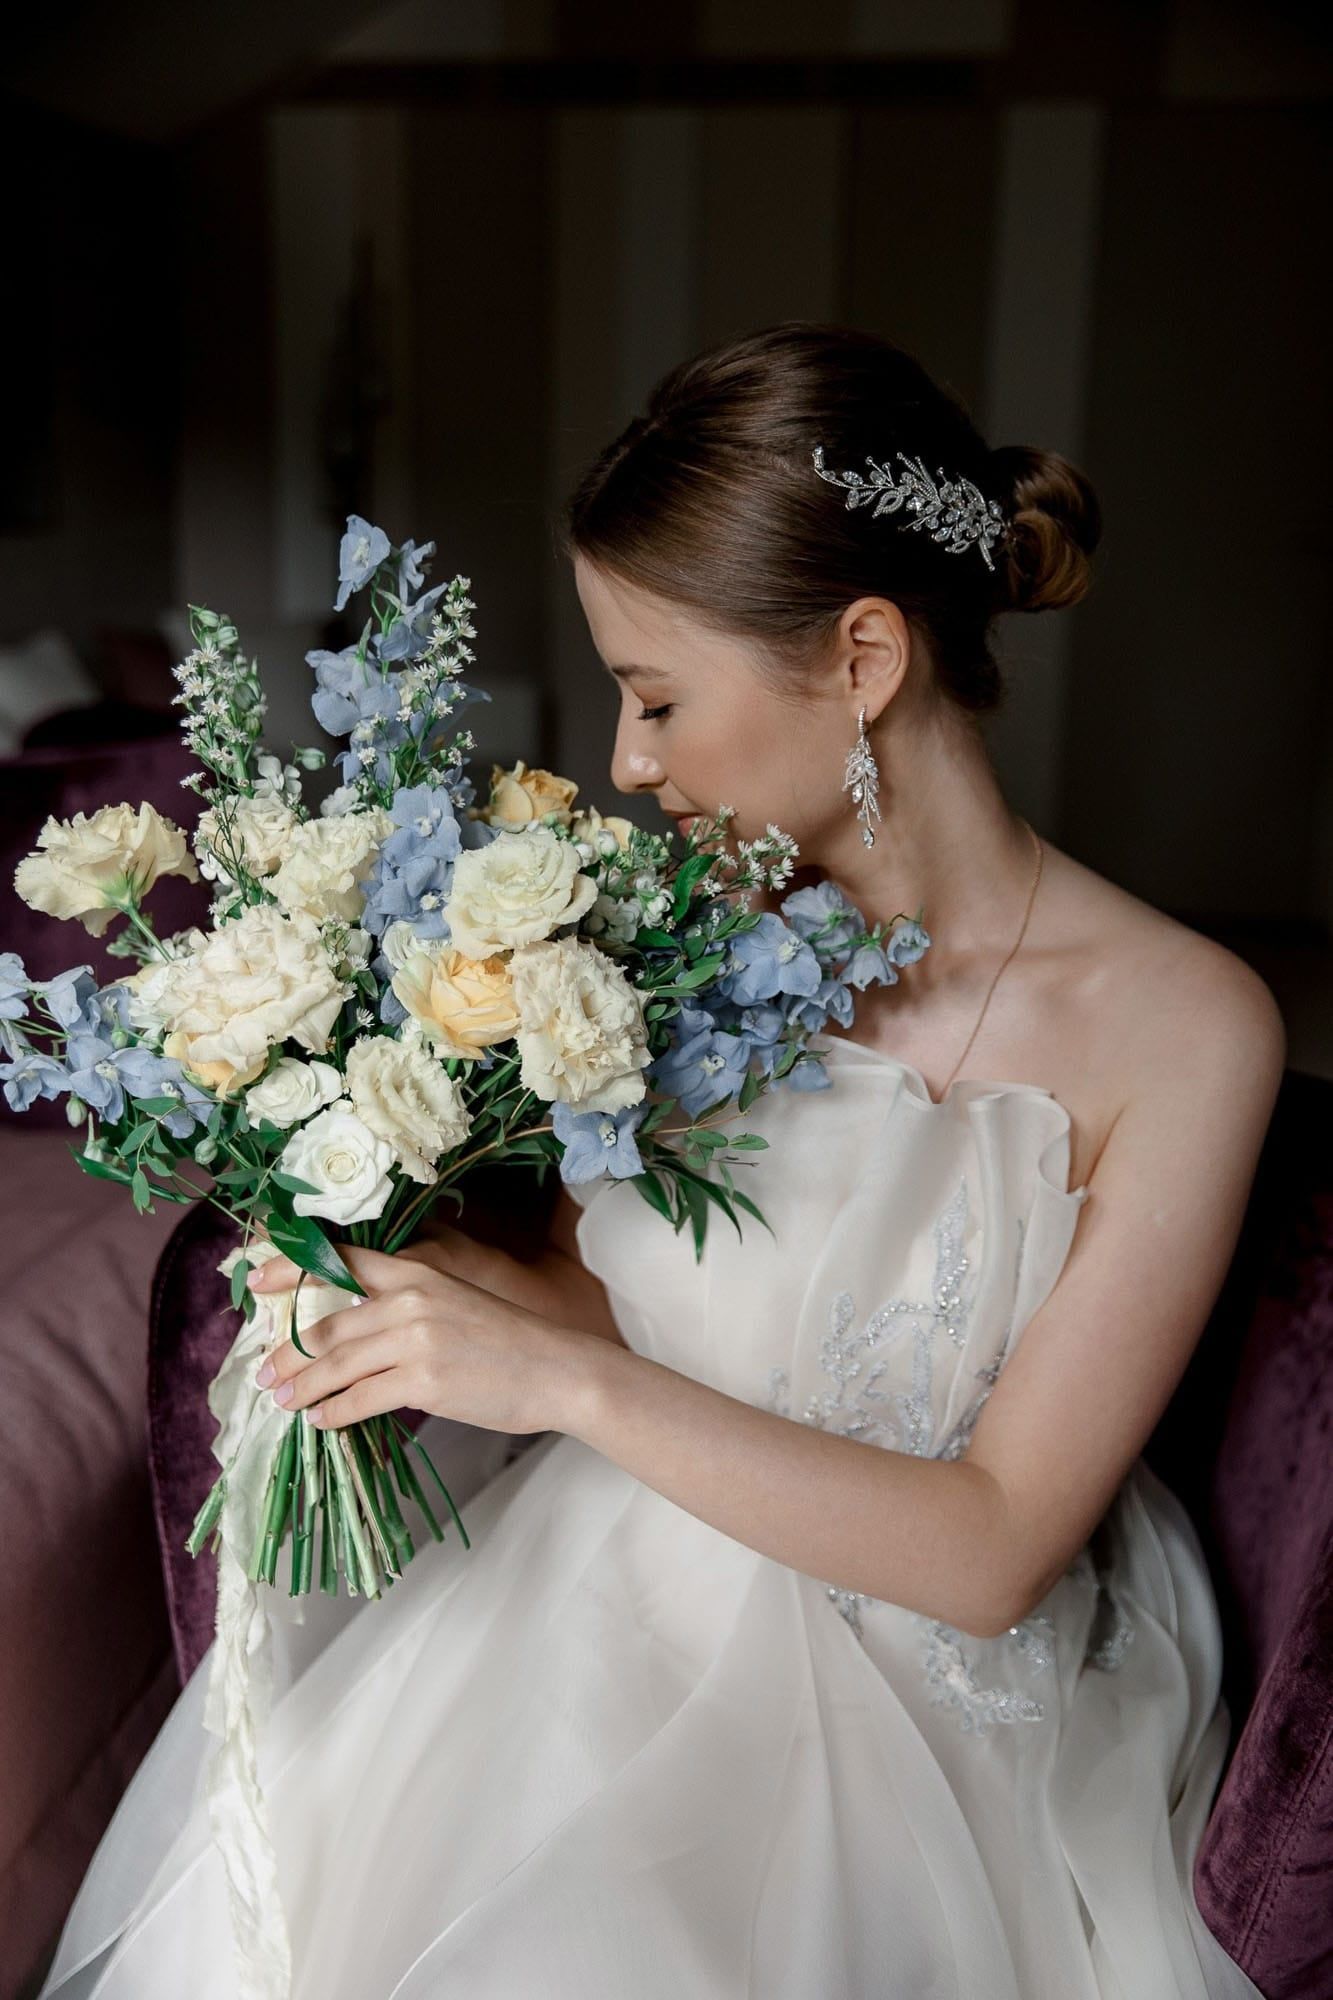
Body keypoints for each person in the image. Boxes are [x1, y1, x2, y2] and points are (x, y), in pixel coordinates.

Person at [38, 323, 1283, 1999]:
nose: (625, 764)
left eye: (655, 696)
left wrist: (557, 1385)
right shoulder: (667, 943)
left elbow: (995, 1548)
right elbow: (607, 1301)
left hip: (914, 1693)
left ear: (860, 655)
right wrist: (388, 1269)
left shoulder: (1190, 1025)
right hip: (589, 1595)